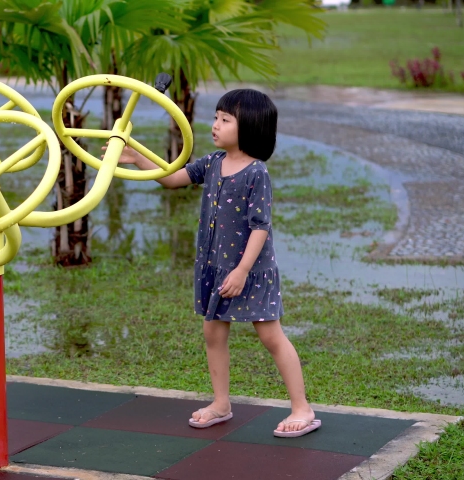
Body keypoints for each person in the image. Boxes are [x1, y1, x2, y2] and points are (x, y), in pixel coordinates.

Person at [106, 89, 319, 438]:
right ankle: (221, 404)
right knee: (212, 332)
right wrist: (138, 158)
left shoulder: (256, 173)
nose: (215, 125)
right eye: (216, 117)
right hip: (216, 266)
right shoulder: (213, 162)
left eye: (225, 119)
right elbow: (173, 179)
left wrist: (242, 271)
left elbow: (260, 226)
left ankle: (302, 408)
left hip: (249, 270)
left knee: (270, 336)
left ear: (249, 127)